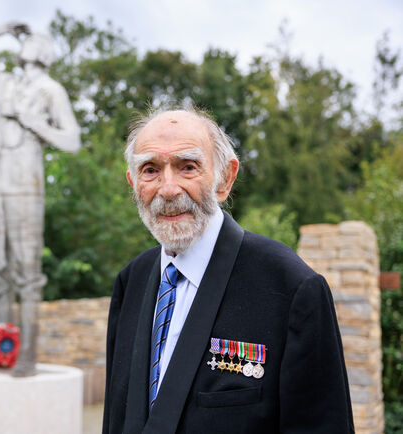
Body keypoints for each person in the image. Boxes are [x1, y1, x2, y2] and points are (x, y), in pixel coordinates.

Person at [102, 106, 354, 433]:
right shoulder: (130, 282)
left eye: (187, 167)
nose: (167, 189)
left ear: (225, 179)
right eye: (150, 170)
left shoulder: (291, 288)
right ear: (133, 183)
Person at [0, 22, 81, 376]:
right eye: (24, 39)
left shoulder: (51, 89)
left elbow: (72, 140)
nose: (26, 43)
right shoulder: (6, 82)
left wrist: (33, 122)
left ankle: (26, 353)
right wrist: (3, 28)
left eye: (33, 40)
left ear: (45, 53)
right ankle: (2, 352)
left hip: (25, 174)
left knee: (27, 270)